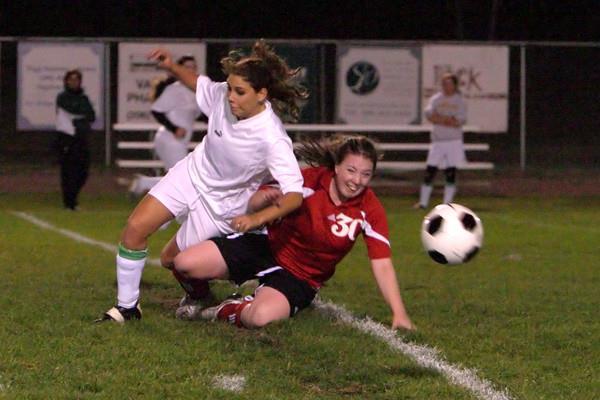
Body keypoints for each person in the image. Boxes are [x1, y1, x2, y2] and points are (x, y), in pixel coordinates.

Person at [98, 40, 308, 323]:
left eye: (240, 92)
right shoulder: (224, 96)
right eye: (230, 88)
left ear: (262, 94)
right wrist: (171, 66)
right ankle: (127, 308)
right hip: (190, 175)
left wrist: (258, 218)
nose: (230, 96)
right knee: (136, 228)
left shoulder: (272, 137)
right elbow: (198, 83)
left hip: (221, 207)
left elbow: (294, 194)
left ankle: (203, 294)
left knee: (171, 260)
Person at [171, 135, 415, 331]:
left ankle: (222, 310)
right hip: (267, 245)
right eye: (351, 170)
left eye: (366, 174)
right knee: (184, 262)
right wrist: (261, 201)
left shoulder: (369, 209)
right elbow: (256, 203)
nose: (357, 180)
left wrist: (399, 313)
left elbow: (382, 263)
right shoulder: (308, 181)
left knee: (260, 317)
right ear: (337, 167)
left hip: (301, 276)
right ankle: (200, 297)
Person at [129, 55, 202, 195]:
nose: (191, 70)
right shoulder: (174, 89)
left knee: (178, 180)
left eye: (193, 67)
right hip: (169, 139)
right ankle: (146, 185)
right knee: (184, 179)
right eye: (187, 67)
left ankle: (144, 183)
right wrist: (174, 128)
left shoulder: (195, 91)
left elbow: (201, 114)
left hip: (178, 142)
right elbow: (156, 111)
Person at [415, 73, 467, 209]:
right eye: (444, 84)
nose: (446, 86)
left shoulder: (459, 101)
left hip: (453, 142)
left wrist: (441, 118)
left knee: (450, 172)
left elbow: (458, 121)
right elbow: (430, 116)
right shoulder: (436, 99)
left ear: (455, 85)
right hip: (438, 141)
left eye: (449, 84)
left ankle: (447, 204)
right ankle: (423, 203)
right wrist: (447, 119)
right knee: (430, 171)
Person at [55, 69, 96, 210]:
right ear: (66, 81)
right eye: (71, 79)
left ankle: (74, 198)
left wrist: (81, 116)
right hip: (67, 138)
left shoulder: (84, 98)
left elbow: (91, 115)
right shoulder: (62, 97)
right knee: (68, 171)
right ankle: (69, 202)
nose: (74, 82)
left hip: (81, 138)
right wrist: (81, 115)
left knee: (83, 172)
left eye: (76, 79)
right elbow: (72, 110)